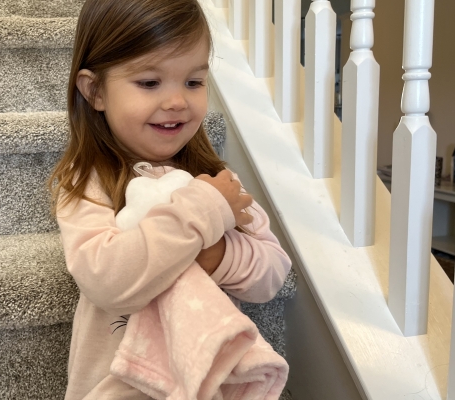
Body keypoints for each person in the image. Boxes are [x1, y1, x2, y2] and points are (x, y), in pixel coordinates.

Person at [47, 0, 292, 398]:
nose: (178, 101)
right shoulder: (88, 181)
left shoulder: (216, 180)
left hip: (207, 379)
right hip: (121, 385)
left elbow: (272, 271)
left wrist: (215, 254)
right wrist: (199, 216)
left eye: (193, 82)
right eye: (149, 82)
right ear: (95, 91)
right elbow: (105, 277)